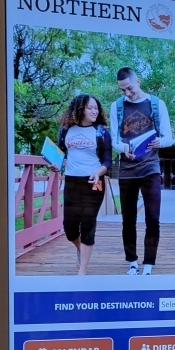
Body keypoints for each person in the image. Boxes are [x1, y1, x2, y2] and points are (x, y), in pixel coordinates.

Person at [109, 67, 173, 275]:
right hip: (127, 169)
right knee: (128, 219)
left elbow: (169, 137)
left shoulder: (156, 104)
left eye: (129, 88)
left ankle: (148, 265)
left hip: (150, 168)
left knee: (152, 218)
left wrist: (159, 142)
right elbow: (115, 139)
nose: (127, 93)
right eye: (122, 90)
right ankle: (132, 263)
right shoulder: (117, 107)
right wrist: (123, 148)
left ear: (139, 82)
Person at [56, 94, 112, 276]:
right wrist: (55, 165)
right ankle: (81, 249)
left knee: (88, 224)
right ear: (80, 109)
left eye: (96, 108)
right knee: (69, 228)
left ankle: (82, 270)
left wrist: (98, 172)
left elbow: (107, 161)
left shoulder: (101, 132)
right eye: (90, 108)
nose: (95, 111)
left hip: (93, 182)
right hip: (72, 181)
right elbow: (60, 153)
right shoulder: (66, 130)